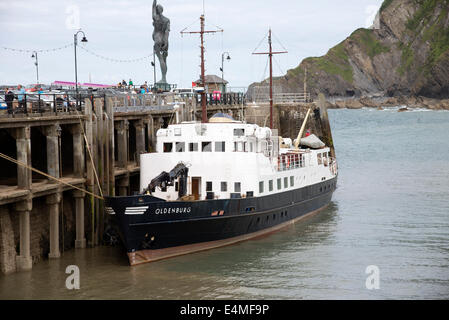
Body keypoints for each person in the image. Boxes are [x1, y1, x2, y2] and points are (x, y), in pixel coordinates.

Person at [153, 0, 170, 84]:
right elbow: (167, 32)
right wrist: (166, 42)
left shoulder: (155, 18)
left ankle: (163, 79)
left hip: (158, 39)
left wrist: (154, 1)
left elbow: (152, 7)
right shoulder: (167, 20)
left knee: (160, 59)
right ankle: (164, 78)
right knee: (164, 59)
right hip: (165, 40)